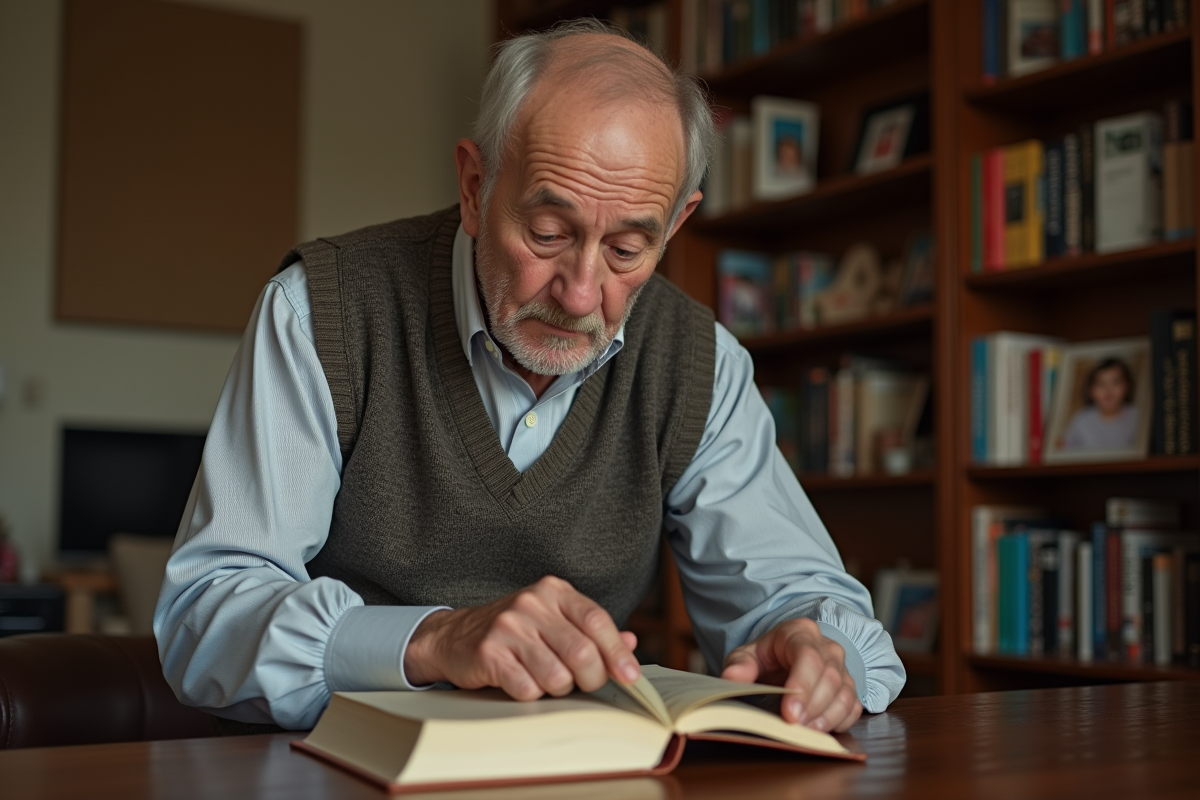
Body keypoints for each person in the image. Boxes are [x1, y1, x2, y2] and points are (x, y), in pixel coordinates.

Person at [154, 20, 905, 737]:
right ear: (476, 187)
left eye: (627, 250)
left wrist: (815, 651)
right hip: (324, 768)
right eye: (548, 234)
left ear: (675, 226)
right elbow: (205, 619)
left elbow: (811, 603)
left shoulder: (697, 362)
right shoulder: (322, 313)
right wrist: (434, 639)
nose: (580, 294)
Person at [1060, 357, 1140, 452]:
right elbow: (1065, 447)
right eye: (1101, 384)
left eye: (1116, 382)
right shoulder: (1081, 419)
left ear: (1127, 386)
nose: (1108, 390)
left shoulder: (1137, 418)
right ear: (1091, 391)